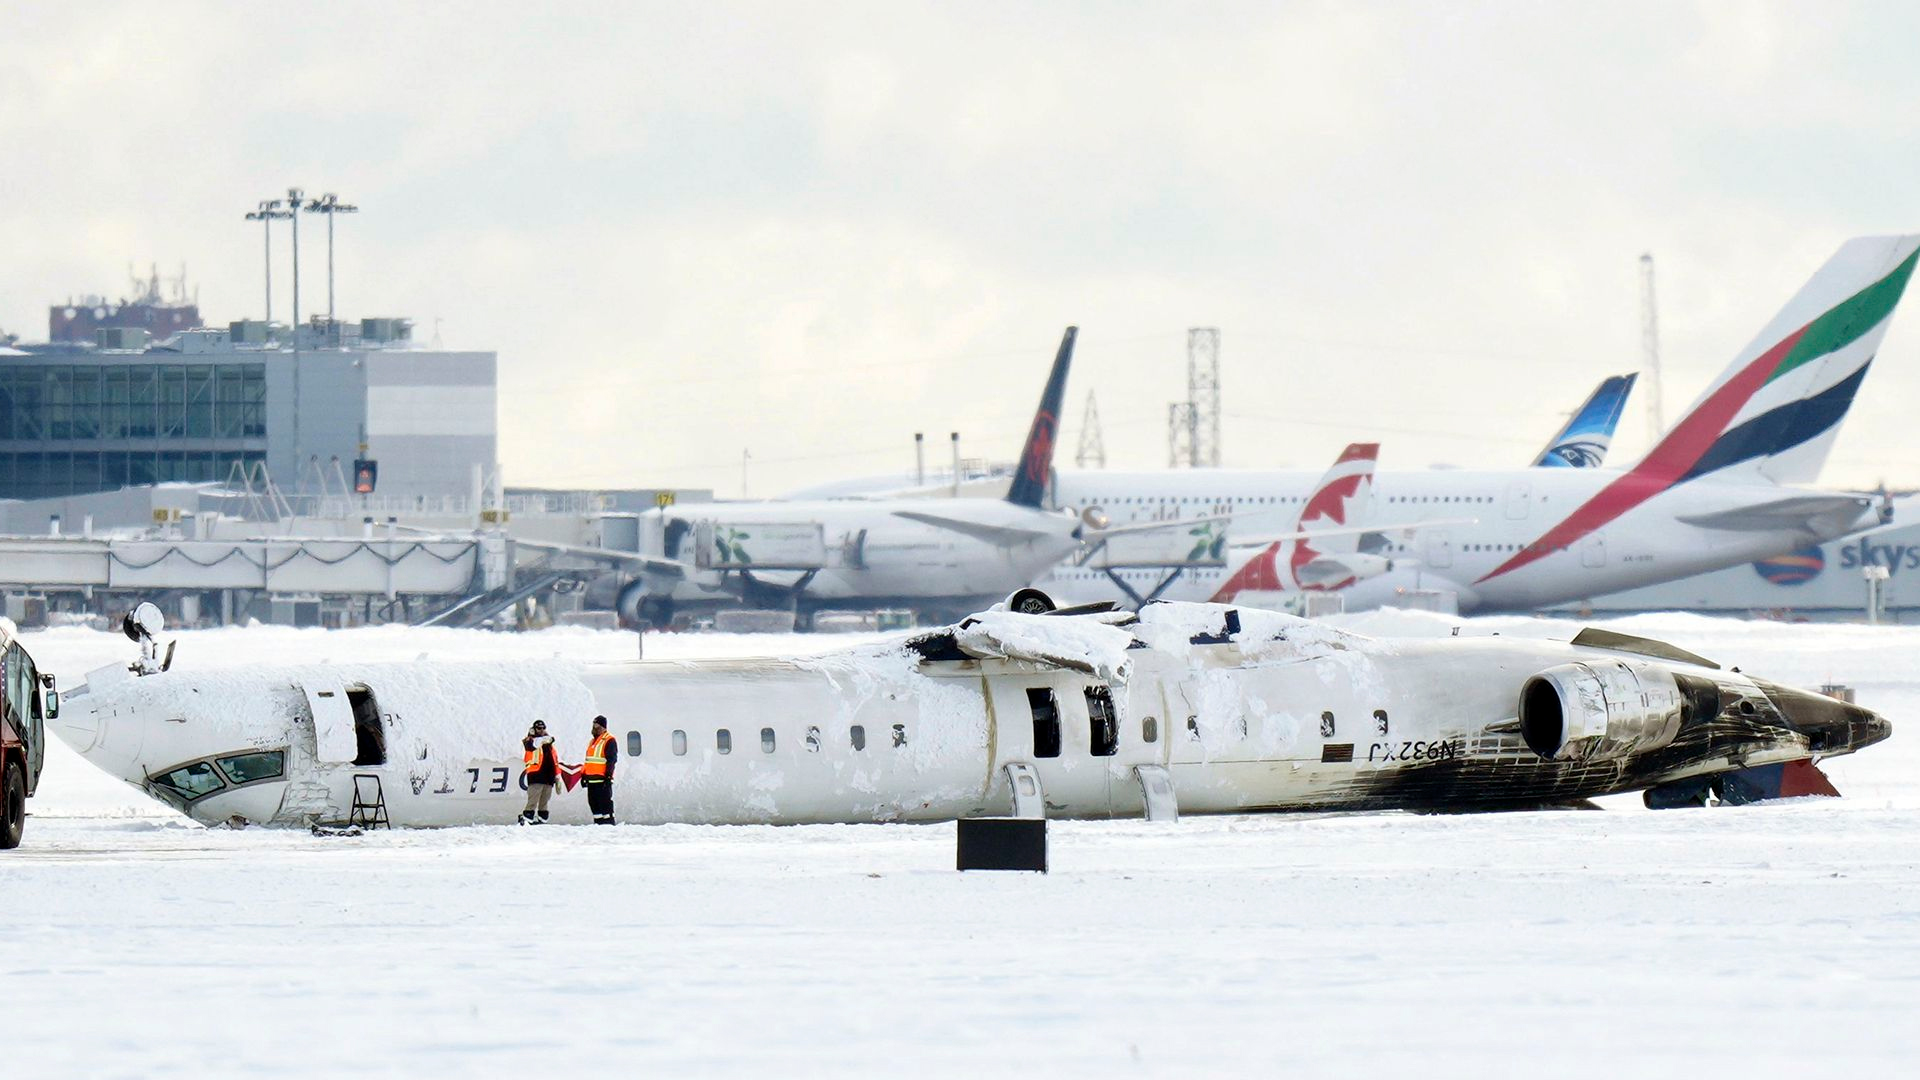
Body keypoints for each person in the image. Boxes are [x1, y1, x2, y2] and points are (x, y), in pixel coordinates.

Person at [520, 720, 561, 824]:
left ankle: (542, 820)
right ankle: (527, 819)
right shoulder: (529, 740)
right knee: (533, 800)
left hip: (548, 776)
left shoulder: (549, 744)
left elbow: (555, 760)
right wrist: (544, 739)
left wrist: (557, 776)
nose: (541, 730)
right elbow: (531, 746)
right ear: (534, 729)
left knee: (545, 801)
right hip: (536, 775)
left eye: (543, 728)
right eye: (539, 728)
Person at [581, 715, 618, 825]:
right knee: (594, 805)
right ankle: (598, 825)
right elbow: (588, 761)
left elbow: (611, 760)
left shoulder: (609, 740)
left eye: (597, 725)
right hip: (591, 780)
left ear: (603, 727)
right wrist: (583, 775)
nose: (594, 727)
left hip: (602, 780)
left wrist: (608, 776)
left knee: (605, 805)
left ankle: (609, 825)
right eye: (593, 725)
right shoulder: (592, 742)